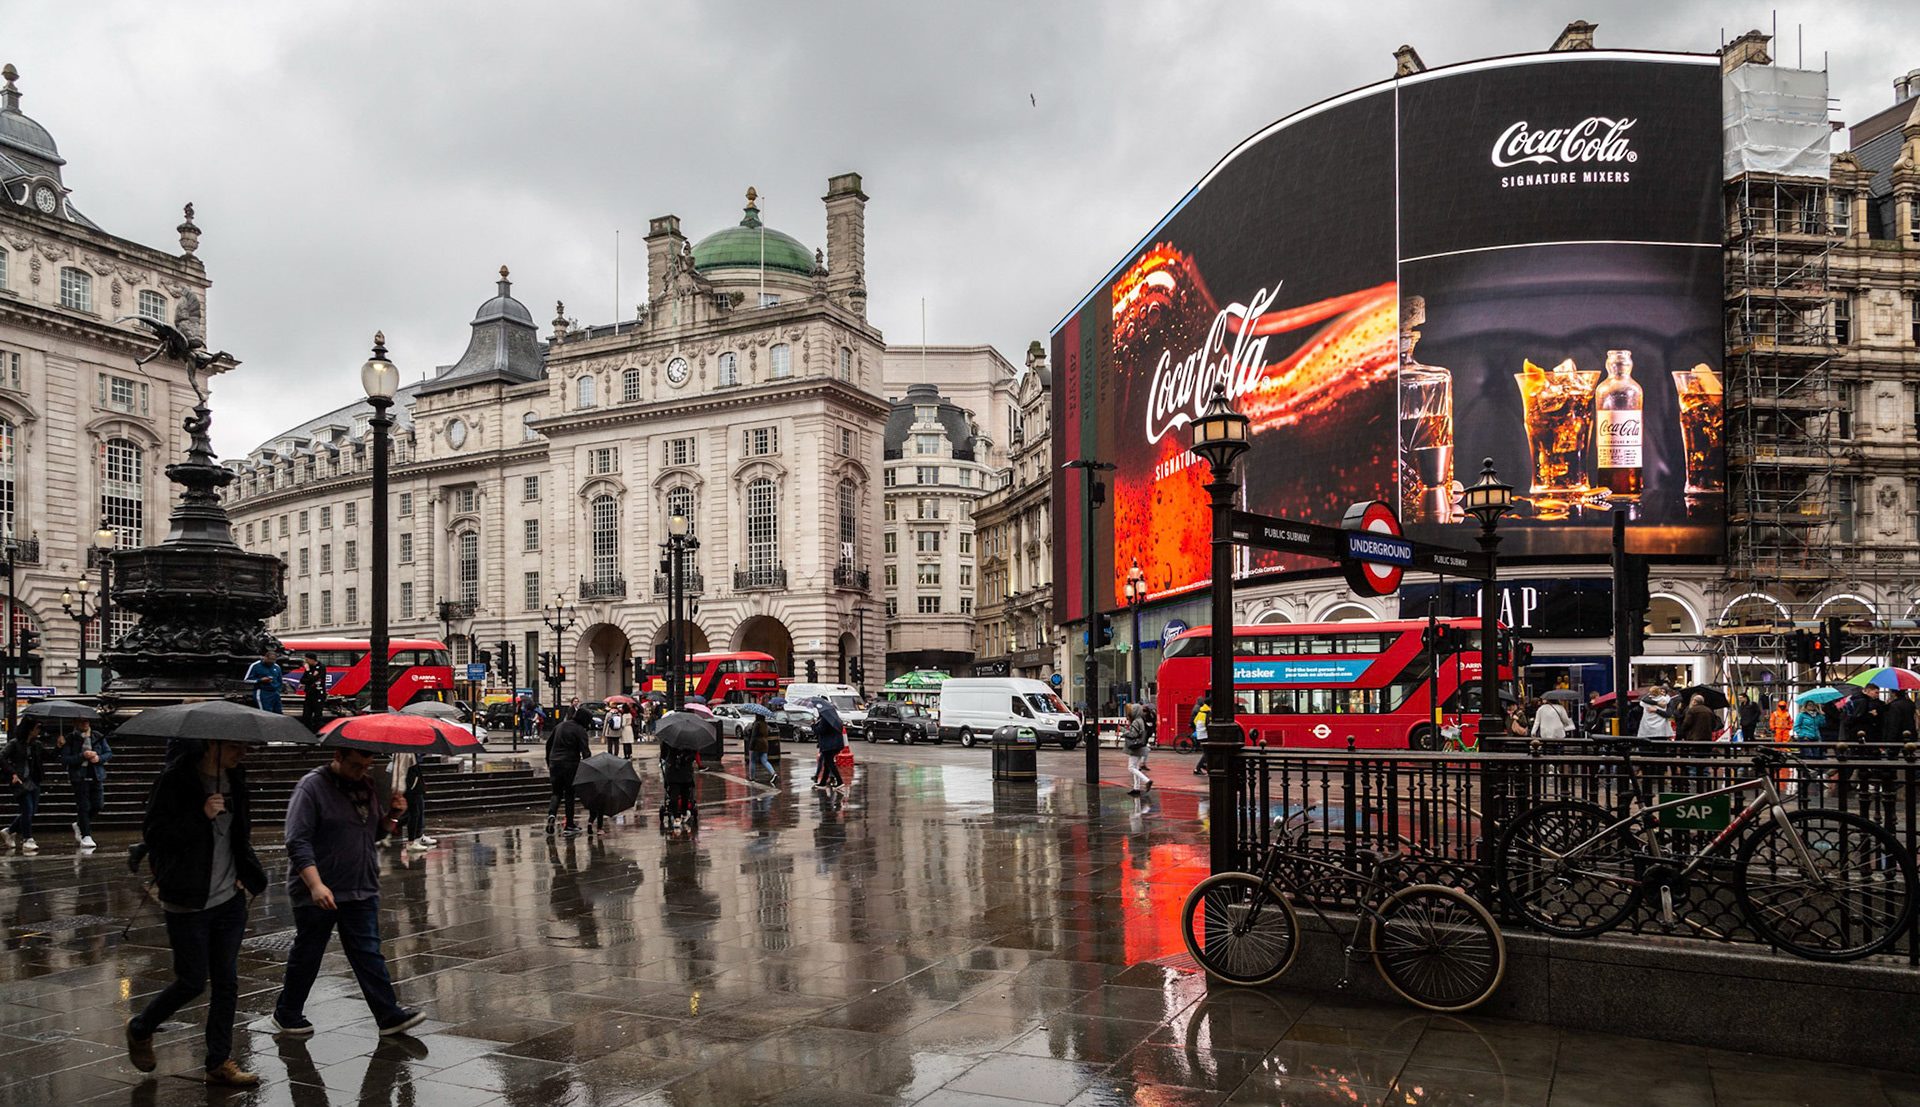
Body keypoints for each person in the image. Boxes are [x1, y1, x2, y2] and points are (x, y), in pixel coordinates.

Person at [124, 738, 269, 1087]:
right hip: (186, 899)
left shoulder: (237, 779)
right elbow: (156, 836)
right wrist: (200, 815)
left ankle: (218, 1062)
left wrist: (243, 875)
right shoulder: (176, 780)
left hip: (229, 899)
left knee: (226, 981)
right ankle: (141, 1027)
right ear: (212, 745)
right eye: (236, 746)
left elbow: (240, 834)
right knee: (191, 981)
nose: (242, 753)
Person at [270, 746, 425, 1039]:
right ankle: (287, 1011)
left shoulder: (366, 785)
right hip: (320, 888)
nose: (361, 771)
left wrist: (393, 815)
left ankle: (388, 1015)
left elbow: (373, 833)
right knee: (309, 952)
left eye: (366, 766)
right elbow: (297, 841)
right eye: (355, 765)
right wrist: (315, 885)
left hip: (360, 885)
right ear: (339, 756)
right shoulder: (312, 787)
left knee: (368, 953)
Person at [59, 719, 111, 849]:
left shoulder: (97, 736)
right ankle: (86, 834)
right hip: (79, 776)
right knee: (84, 806)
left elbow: (108, 752)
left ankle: (80, 824)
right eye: (81, 722)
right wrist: (82, 756)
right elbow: (65, 759)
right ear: (75, 724)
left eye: (86, 722)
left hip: (95, 775)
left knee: (98, 804)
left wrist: (98, 758)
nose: (85, 724)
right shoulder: (70, 739)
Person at [545, 706, 593, 836]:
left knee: (556, 793)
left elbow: (549, 744)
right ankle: (569, 825)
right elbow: (586, 752)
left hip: (555, 763)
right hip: (570, 765)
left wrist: (548, 761)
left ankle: (552, 814)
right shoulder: (580, 731)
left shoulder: (560, 726)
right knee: (569, 794)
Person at [0, 718, 45, 852]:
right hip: (20, 781)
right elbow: (1, 757)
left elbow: (48, 756)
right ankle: (27, 838)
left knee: (31, 811)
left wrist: (59, 747)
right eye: (37, 727)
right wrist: (12, 773)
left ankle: (10, 830)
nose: (39, 730)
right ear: (30, 729)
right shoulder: (15, 744)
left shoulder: (36, 744)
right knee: (27, 809)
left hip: (33, 781)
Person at [387, 753, 434, 851]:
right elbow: (400, 771)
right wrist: (399, 790)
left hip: (414, 785)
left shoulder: (411, 752)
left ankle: (414, 838)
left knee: (414, 812)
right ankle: (410, 841)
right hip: (409, 787)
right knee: (412, 813)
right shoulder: (404, 752)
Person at [661, 742, 698, 829]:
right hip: (673, 772)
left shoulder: (689, 742)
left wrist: (685, 757)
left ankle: (684, 813)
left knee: (685, 795)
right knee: (674, 796)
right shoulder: (668, 742)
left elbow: (693, 755)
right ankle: (677, 817)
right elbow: (663, 754)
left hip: (684, 772)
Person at [814, 703, 846, 790]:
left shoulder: (825, 720)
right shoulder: (832, 719)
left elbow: (820, 730)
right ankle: (823, 782)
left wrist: (813, 725)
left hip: (829, 745)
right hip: (834, 744)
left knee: (830, 763)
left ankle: (839, 781)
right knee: (827, 763)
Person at [245, 647, 285, 714]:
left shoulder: (276, 666)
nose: (271, 663)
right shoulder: (255, 665)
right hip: (262, 692)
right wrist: (260, 680)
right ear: (265, 657)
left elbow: (280, 680)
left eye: (272, 661)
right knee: (265, 712)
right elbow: (246, 680)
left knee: (278, 712)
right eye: (269, 661)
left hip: (275, 693)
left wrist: (278, 690)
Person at [1124, 704, 1152, 796]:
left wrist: (1124, 731)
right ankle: (1136, 788)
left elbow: (1133, 734)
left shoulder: (1136, 721)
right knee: (1136, 767)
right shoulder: (1141, 720)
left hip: (1135, 747)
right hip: (1140, 746)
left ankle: (1147, 781)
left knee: (1131, 767)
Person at [748, 713, 776, 785]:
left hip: (756, 745)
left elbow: (754, 736)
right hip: (764, 744)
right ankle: (773, 773)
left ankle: (751, 777)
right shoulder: (765, 724)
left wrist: (751, 746)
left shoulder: (757, 724)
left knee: (752, 761)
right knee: (765, 761)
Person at [300, 654, 326, 730]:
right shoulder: (309, 668)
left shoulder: (321, 667)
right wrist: (309, 675)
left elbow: (314, 679)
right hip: (309, 693)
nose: (306, 662)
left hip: (318, 694)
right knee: (306, 715)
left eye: (307, 660)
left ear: (312, 659)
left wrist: (309, 673)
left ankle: (317, 730)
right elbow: (303, 680)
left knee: (318, 715)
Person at [1190, 700, 1212, 775]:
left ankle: (1205, 766)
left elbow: (1195, 721)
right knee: (1207, 753)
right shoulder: (1208, 713)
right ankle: (1198, 768)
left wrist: (1199, 729)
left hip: (1200, 735)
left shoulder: (1201, 712)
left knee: (1207, 752)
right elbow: (1208, 723)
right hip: (1205, 735)